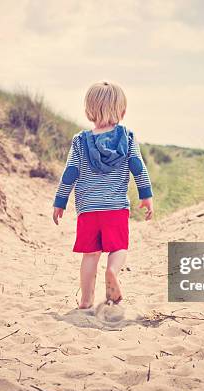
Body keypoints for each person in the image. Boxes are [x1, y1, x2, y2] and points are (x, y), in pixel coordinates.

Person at [52, 81, 154, 309]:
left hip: (88, 209)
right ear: (122, 111)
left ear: (88, 110)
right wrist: (146, 195)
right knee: (118, 248)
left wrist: (61, 201)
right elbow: (138, 166)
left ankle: (86, 300)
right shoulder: (127, 137)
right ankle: (112, 271)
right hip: (116, 207)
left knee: (90, 255)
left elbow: (70, 173)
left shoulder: (80, 141)